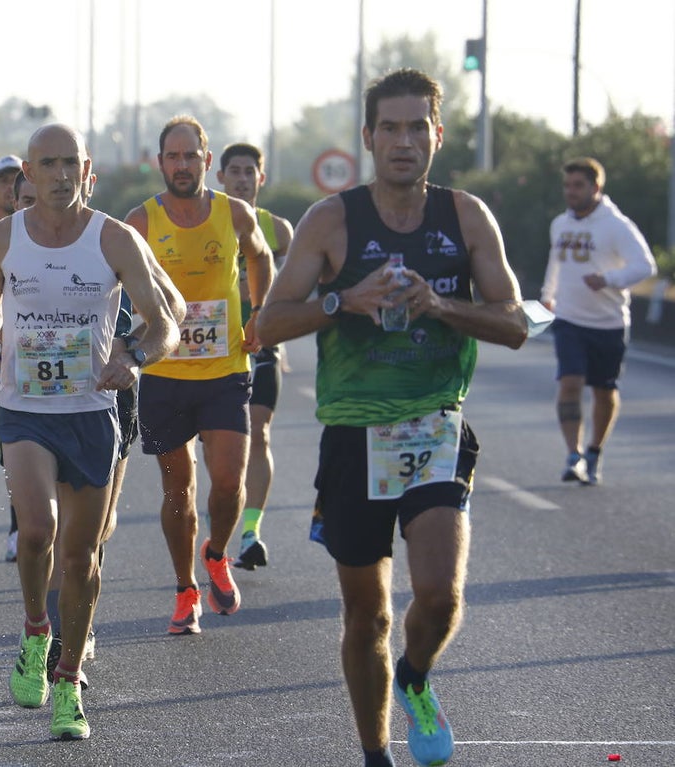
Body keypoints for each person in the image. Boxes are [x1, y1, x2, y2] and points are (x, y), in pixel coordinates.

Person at [255, 68, 528, 767]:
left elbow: (516, 322)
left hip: (434, 424)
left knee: (438, 595)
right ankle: (375, 752)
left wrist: (440, 306)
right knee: (368, 614)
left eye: (418, 127)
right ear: (369, 137)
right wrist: (344, 299)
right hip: (353, 434)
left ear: (436, 134)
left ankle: (415, 674)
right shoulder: (332, 220)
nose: (404, 141)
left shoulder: (465, 216)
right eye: (391, 128)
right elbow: (267, 323)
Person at [0, 124, 181, 740]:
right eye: (47, 164)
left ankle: (67, 681)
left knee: (82, 557)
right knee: (37, 532)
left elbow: (164, 323)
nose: (60, 175)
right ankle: (36, 631)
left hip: (91, 414)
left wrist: (133, 358)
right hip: (25, 409)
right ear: (26, 174)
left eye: (71, 164)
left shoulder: (116, 239)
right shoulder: (1, 238)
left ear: (89, 171)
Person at [125, 115, 274, 635]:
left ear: (206, 161)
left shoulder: (234, 214)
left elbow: (262, 257)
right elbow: (111, 282)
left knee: (230, 481)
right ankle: (186, 588)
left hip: (224, 370)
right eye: (173, 156)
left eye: (191, 156)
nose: (182, 165)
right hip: (165, 375)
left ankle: (217, 553)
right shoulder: (139, 222)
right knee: (178, 491)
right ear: (160, 162)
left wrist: (258, 314)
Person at [540, 157, 656, 486]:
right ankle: (572, 455)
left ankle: (594, 451)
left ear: (596, 188)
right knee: (569, 382)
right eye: (567, 185)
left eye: (578, 186)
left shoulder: (616, 226)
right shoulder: (560, 224)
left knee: (604, 391)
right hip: (569, 319)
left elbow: (645, 266)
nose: (570, 192)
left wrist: (608, 278)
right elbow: (556, 261)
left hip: (608, 323)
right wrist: (548, 294)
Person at [216, 142, 294, 570]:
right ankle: (223, 508)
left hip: (262, 342)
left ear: (260, 178)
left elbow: (298, 282)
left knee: (259, 433)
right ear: (221, 177)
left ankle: (250, 533)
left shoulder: (278, 229)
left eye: (250, 172)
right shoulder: (206, 220)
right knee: (220, 445)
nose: (243, 179)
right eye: (236, 172)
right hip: (211, 346)